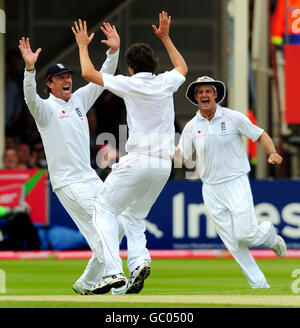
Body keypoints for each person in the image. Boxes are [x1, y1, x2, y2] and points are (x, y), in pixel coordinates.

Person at [72, 12, 187, 294]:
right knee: (134, 217)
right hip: (163, 167)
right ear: (154, 64)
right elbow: (182, 67)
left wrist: (83, 46)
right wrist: (166, 37)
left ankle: (113, 272)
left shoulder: (130, 82)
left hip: (139, 160)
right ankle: (138, 263)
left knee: (104, 208)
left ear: (131, 68)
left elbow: (88, 74)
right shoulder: (165, 82)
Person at [18, 24, 126, 295]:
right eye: (61, 77)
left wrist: (113, 52)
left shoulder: (78, 100)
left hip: (89, 177)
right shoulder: (46, 110)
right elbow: (30, 97)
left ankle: (87, 283)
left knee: (119, 225)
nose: (67, 80)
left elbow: (103, 78)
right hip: (68, 182)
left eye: (69, 76)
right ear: (50, 83)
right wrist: (30, 70)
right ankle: (115, 277)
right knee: (100, 227)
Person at [176, 76, 286, 289]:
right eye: (200, 92)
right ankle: (260, 285)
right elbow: (182, 157)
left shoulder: (234, 117)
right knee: (232, 242)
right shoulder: (191, 126)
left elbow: (260, 135)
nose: (204, 95)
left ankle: (269, 234)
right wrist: (159, 152)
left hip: (236, 182)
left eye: (208, 91)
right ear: (196, 97)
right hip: (210, 188)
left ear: (215, 94)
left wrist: (272, 153)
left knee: (245, 235)